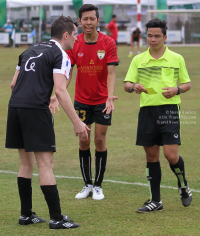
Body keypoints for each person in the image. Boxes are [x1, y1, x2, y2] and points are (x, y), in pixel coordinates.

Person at [5, 16, 89, 229]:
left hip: (15, 108)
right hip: (35, 110)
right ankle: (57, 218)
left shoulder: (29, 50)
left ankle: (26, 215)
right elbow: (60, 90)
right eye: (75, 34)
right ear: (66, 35)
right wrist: (77, 122)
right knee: (46, 164)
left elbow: (14, 84)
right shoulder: (60, 54)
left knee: (25, 163)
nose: (76, 38)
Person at [50, 4, 118, 200]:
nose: (88, 22)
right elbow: (68, 73)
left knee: (99, 140)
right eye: (85, 19)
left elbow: (112, 73)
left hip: (103, 101)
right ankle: (87, 184)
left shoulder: (108, 42)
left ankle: (98, 186)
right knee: (83, 140)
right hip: (81, 100)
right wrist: (58, 92)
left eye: (92, 19)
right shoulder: (75, 43)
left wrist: (109, 96)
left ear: (98, 21)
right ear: (79, 22)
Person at [124, 18, 192, 213]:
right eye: (149, 36)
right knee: (151, 156)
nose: (152, 40)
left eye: (156, 36)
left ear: (165, 37)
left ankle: (183, 184)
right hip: (147, 111)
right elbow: (127, 84)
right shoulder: (139, 59)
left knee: (171, 155)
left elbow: (187, 84)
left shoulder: (176, 58)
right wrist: (133, 88)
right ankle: (155, 201)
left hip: (169, 110)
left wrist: (176, 90)